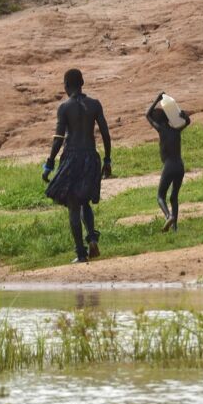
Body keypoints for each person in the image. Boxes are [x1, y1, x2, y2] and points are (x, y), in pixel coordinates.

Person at [43, 68, 113, 263]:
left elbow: (58, 139)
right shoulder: (95, 104)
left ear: (66, 86)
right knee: (85, 201)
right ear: (82, 82)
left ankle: (81, 254)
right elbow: (106, 134)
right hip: (91, 156)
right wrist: (107, 160)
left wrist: (49, 163)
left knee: (73, 205)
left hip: (73, 157)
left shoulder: (64, 108)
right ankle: (91, 237)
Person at [146, 92, 190, 231]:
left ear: (158, 121)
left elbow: (147, 115)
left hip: (169, 166)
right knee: (174, 197)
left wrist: (157, 99)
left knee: (160, 196)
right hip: (180, 166)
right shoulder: (176, 130)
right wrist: (184, 117)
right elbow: (188, 122)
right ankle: (175, 227)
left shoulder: (161, 130)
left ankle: (168, 216)